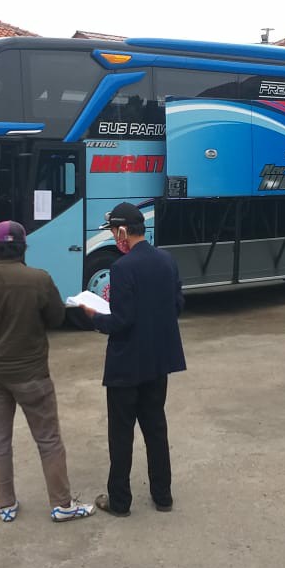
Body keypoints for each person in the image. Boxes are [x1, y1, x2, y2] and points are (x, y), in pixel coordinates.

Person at [0, 221, 95, 524]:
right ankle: (62, 504)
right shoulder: (39, 280)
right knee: (48, 440)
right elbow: (57, 318)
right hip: (32, 373)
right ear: (23, 247)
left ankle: (5, 504)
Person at [80, 202, 186, 517]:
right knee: (155, 427)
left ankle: (120, 501)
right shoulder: (167, 260)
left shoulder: (123, 268)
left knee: (121, 433)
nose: (114, 238)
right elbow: (177, 304)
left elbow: (120, 321)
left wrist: (95, 314)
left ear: (123, 231)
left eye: (114, 232)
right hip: (158, 361)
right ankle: (163, 496)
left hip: (127, 364)